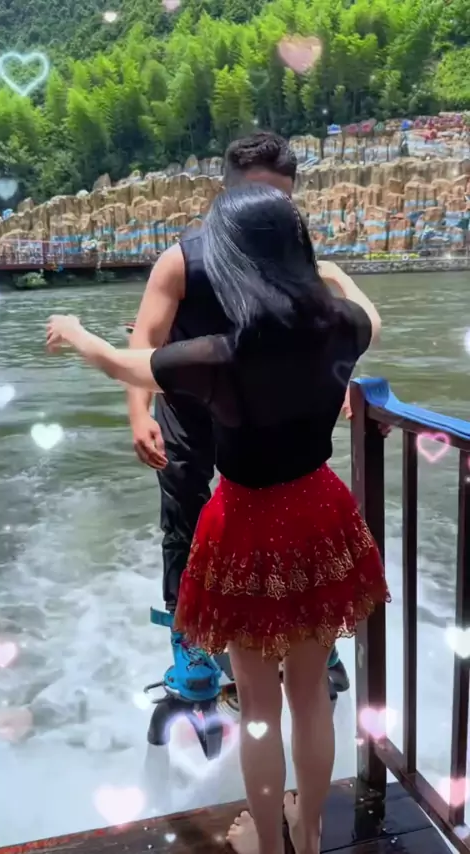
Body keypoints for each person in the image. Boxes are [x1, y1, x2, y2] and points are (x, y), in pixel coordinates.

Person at [46, 183, 390, 854]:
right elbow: (372, 316)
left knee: (259, 707)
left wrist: (77, 332)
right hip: (320, 514)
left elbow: (122, 363)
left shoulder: (218, 357)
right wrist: (335, 274)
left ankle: (267, 842)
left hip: (245, 528)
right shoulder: (341, 328)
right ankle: (310, 833)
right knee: (310, 696)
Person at [126, 130, 349, 699]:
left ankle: (307, 634)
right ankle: (191, 644)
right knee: (185, 514)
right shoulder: (182, 261)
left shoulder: (295, 257)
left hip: (266, 410)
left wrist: (337, 381)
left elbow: (323, 329)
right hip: (191, 407)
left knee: (288, 514)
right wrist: (138, 413)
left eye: (280, 201)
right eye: (255, 195)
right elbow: (144, 341)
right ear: (224, 195)